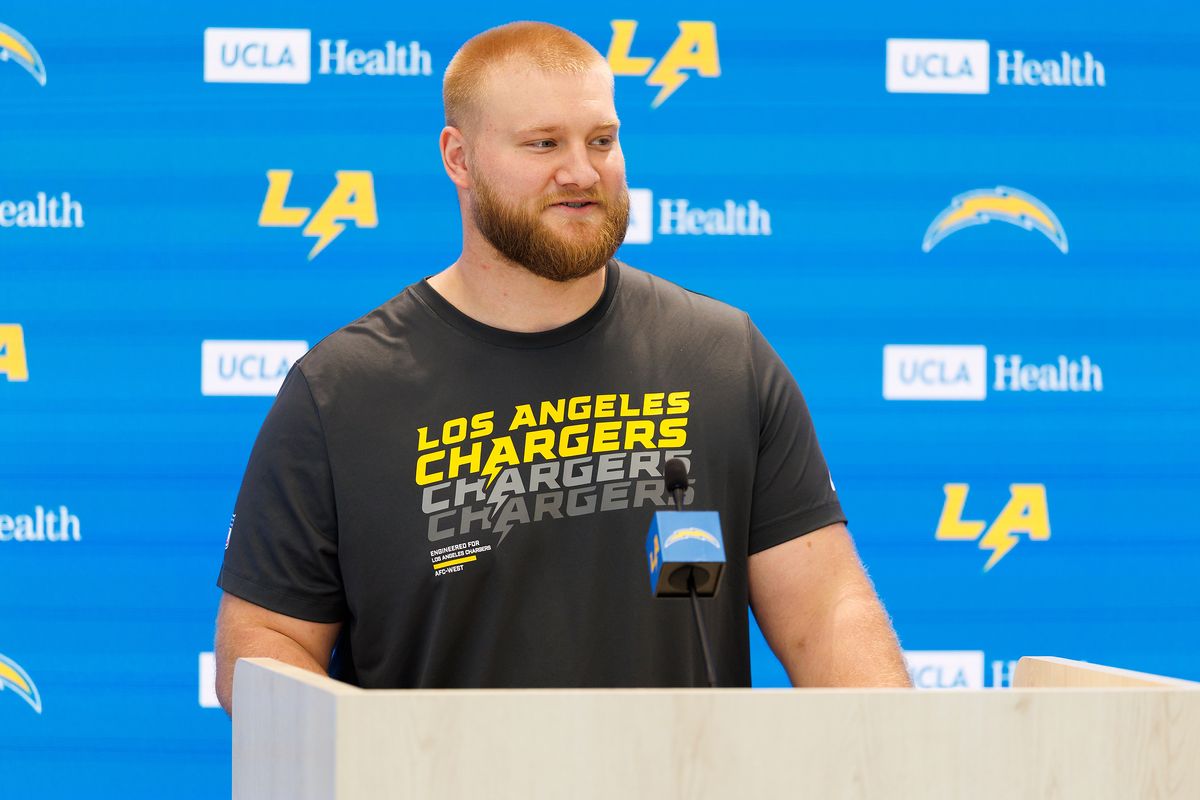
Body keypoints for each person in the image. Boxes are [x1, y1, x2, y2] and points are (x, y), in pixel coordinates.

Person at [214, 21, 910, 714]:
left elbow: (825, 613)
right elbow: (266, 644)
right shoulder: (341, 392)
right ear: (458, 158)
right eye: (544, 143)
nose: (581, 172)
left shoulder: (723, 356)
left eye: (601, 141)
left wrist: (901, 760)